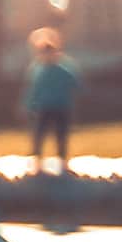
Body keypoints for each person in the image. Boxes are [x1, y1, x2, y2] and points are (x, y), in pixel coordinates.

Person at [23, 27, 81, 177]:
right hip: (46, 107)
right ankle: (37, 159)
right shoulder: (39, 70)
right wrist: (28, 105)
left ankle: (61, 160)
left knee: (60, 134)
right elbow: (33, 90)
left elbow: (75, 83)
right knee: (40, 134)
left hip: (61, 106)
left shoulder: (61, 69)